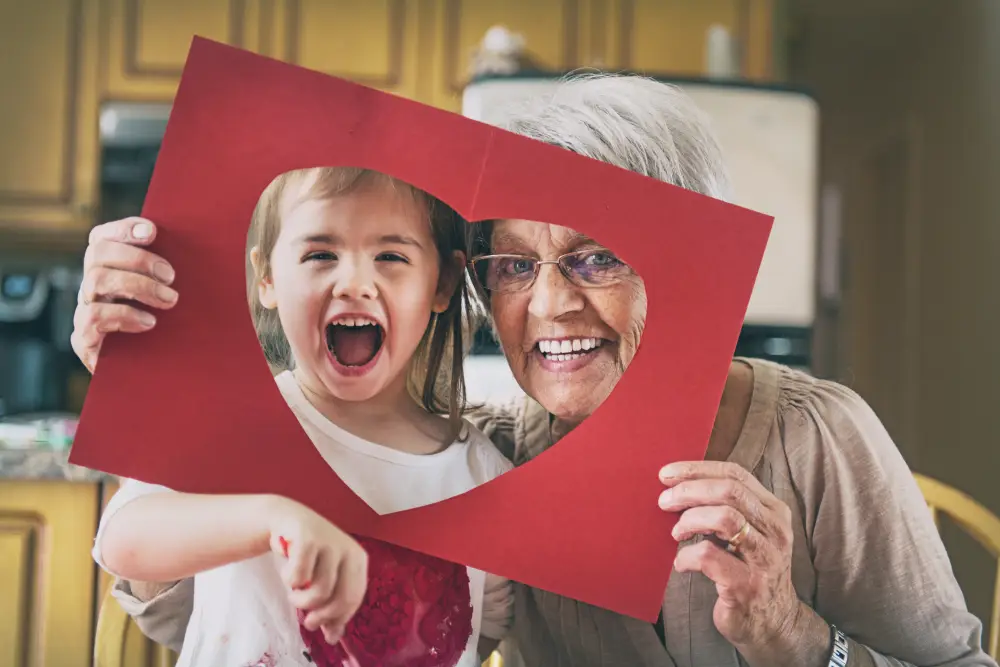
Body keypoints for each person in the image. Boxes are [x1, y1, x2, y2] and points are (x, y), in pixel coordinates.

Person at [73, 75, 995, 667]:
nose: (548, 306)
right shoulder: (494, 451)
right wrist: (147, 378)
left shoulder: (818, 434)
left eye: (597, 255)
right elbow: (199, 613)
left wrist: (793, 636)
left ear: (689, 269)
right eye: (511, 264)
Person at [89, 167, 513, 667]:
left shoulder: (485, 479)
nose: (355, 282)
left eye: (391, 256)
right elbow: (123, 541)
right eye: (320, 255)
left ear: (441, 282)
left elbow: (481, 632)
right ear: (267, 276)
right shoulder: (229, 426)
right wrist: (274, 518)